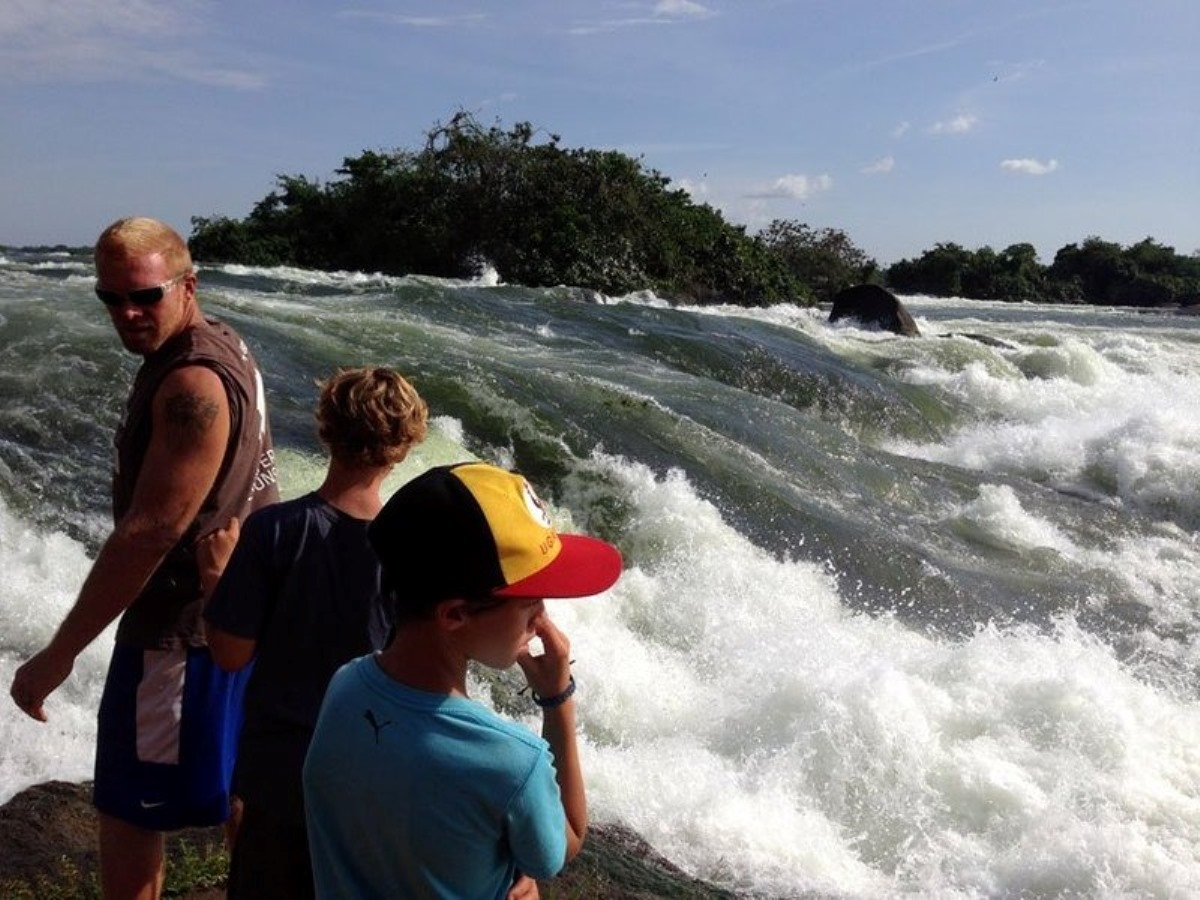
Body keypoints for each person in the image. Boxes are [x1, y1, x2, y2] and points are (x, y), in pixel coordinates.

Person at [8, 216, 280, 900]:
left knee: (133, 811)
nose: (126, 313)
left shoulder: (192, 386)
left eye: (144, 297)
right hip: (234, 617)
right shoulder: (226, 343)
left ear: (187, 286)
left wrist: (59, 652)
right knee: (241, 789)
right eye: (110, 299)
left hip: (177, 634)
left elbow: (150, 532)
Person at [302, 461, 623, 899]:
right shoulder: (511, 761)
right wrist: (557, 699)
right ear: (454, 614)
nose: (544, 619)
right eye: (531, 603)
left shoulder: (345, 687)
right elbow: (561, 845)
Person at [199, 366, 429, 900]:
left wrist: (215, 579)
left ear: (325, 427)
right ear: (403, 448)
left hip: (279, 772)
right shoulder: (411, 552)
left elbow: (230, 655)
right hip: (373, 767)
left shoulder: (273, 530)